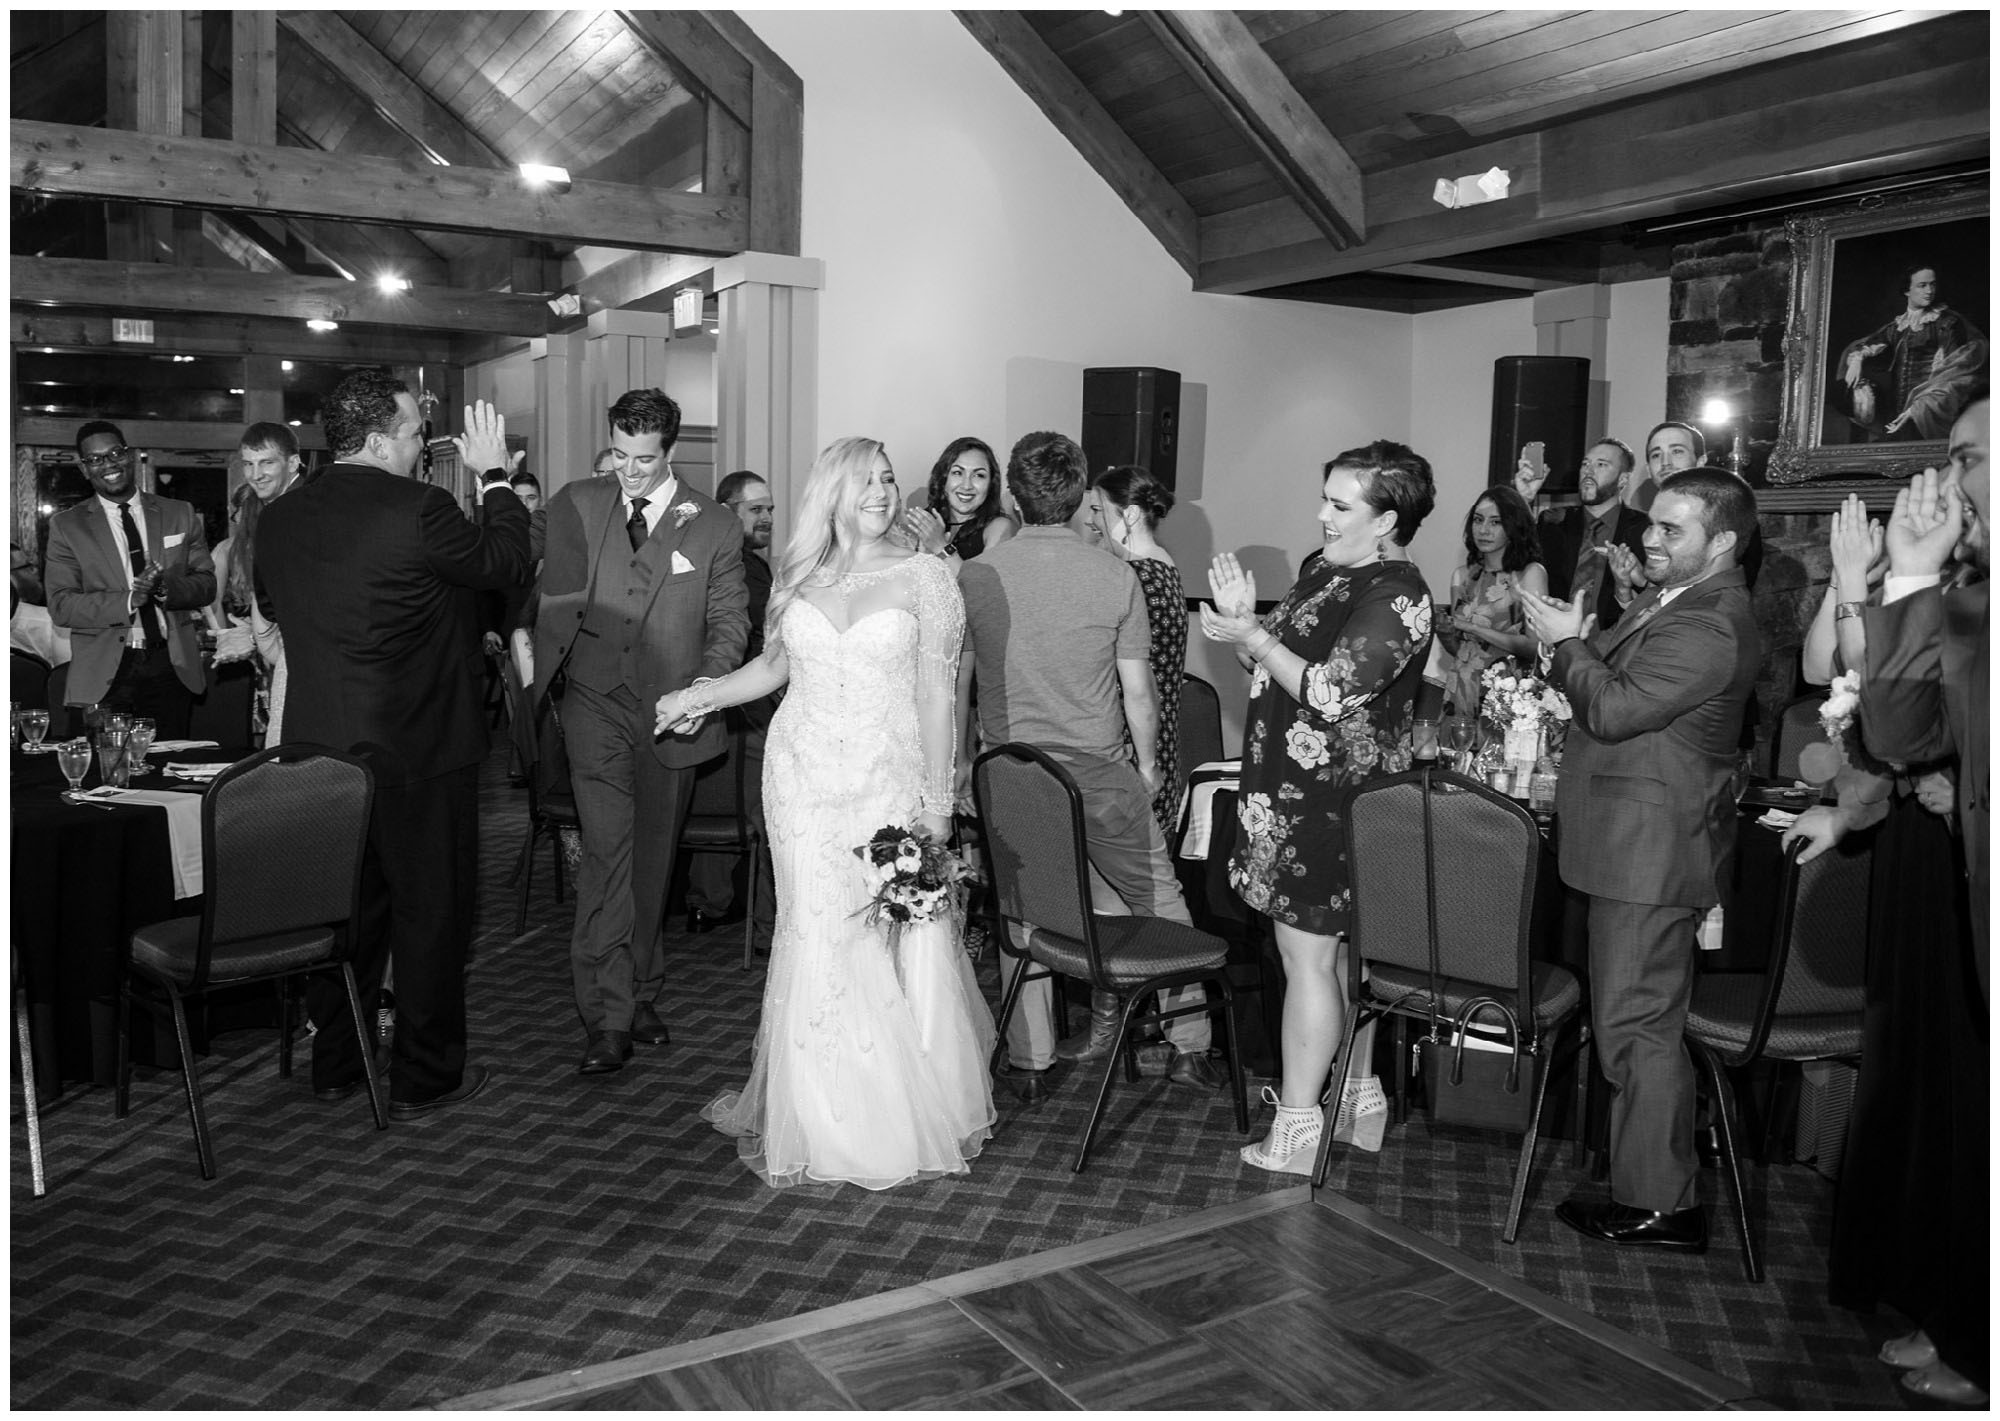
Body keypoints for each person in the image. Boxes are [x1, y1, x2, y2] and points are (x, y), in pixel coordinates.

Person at [655, 436, 996, 1189]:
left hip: (886, 780)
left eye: (888, 477)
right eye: (867, 479)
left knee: (881, 936)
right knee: (813, 929)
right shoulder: (799, 574)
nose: (882, 490)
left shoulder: (928, 578)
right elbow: (775, 667)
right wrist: (699, 694)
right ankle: (815, 1113)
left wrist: (937, 806)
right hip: (800, 778)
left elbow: (938, 698)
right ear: (833, 490)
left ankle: (897, 1114)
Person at [1784, 406, 1988, 1406]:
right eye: (1948, 453)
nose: (1951, 474)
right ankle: (1937, 1300)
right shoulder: (1959, 577)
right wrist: (1854, 807)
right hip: (1924, 853)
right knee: (1920, 1084)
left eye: (1970, 456)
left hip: (1969, 849)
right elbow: (1892, 715)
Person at [256, 375, 531, 1117]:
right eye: (415, 434)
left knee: (345, 915)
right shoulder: (423, 509)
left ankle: (338, 1064)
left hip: (317, 752)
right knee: (430, 914)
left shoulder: (277, 520)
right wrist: (496, 476)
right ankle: (425, 1074)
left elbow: (273, 605)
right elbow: (506, 563)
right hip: (419, 750)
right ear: (379, 440)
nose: (422, 447)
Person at [1519, 466, 1761, 1251]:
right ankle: (1642, 1182)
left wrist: (1564, 647)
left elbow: (1617, 708)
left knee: (1638, 1029)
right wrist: (1581, 639)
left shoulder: (1714, 620)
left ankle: (1664, 1203)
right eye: (1650, 524)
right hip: (1628, 842)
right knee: (1629, 1024)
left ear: (1722, 540)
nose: (1649, 538)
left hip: (1651, 853)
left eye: (1671, 529)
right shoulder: (1677, 599)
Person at [1200, 440, 1436, 1173]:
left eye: (1340, 504)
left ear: (1387, 518)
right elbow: (1279, 668)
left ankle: (1299, 1127)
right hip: (1284, 788)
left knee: (1309, 958)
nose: (1322, 515)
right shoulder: (1323, 570)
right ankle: (1359, 1096)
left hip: (1335, 801)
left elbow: (1333, 692)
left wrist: (1255, 636)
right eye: (1325, 498)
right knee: (1331, 959)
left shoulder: (1399, 595)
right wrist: (1245, 633)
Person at [959, 432, 1219, 1094]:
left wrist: (965, 767)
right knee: (1157, 897)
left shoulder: (977, 574)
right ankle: (1189, 1043)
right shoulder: (1114, 573)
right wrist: (1152, 771)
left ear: (1014, 495)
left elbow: (959, 685)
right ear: (1080, 496)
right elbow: (1139, 694)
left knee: (1024, 913)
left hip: (1012, 774)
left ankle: (1032, 1057)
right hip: (1099, 774)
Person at [530, 388, 748, 1076]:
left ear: (671, 450)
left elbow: (729, 624)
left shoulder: (713, 524)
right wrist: (495, 483)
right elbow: (508, 558)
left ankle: (642, 987)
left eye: (643, 459)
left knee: (654, 862)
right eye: (619, 454)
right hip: (593, 701)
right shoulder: (577, 501)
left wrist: (703, 691)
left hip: (672, 713)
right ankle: (606, 1013)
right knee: (606, 854)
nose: (628, 469)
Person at [1861, 392, 1989, 1002]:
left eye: (1967, 461)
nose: (1948, 485)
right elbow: (1899, 738)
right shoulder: (1970, 614)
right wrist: (1910, 575)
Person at [45, 420, 214, 738]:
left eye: (114, 453)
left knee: (170, 775)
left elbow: (206, 584)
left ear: (130, 455)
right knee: (110, 776)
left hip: (170, 664)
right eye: (95, 459)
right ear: (84, 469)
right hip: (106, 670)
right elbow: (61, 605)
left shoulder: (179, 512)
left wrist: (162, 587)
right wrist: (129, 600)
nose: (108, 464)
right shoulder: (68, 526)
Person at [685, 469, 778, 940]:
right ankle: (766, 926)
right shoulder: (743, 566)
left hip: (717, 703)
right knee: (771, 801)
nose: (767, 518)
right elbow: (761, 644)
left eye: (770, 509)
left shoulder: (718, 558)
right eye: (755, 509)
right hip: (742, 699)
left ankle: (709, 900)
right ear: (727, 511)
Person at [1076, 464, 1185, 837]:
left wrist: (1146, 764)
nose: (1090, 521)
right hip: (1161, 745)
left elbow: (1138, 687)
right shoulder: (1165, 568)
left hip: (1137, 755)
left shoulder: (1134, 578)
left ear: (1131, 515)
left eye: (1097, 510)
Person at [208, 422, 302, 744]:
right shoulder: (274, 517)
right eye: (249, 463)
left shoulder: (304, 511)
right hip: (283, 657)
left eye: (267, 462)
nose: (255, 474)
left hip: (307, 662)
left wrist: (255, 637)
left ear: (292, 463)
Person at [1435, 484, 1547, 725]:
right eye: (1478, 520)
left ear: (1513, 527)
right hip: (1461, 690)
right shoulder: (1462, 576)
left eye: (1495, 522)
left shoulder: (1529, 574)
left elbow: (1533, 647)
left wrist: (1473, 628)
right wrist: (1446, 634)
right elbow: (1462, 651)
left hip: (1509, 697)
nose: (1483, 530)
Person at [1838, 263, 1988, 443]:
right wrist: (1857, 360)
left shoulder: (1947, 323)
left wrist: (1917, 408)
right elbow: (1869, 344)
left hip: (1931, 409)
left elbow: (1955, 374)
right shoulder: (1897, 327)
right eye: (1922, 285)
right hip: (1896, 411)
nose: (1929, 291)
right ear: (1906, 291)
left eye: (1932, 285)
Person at [1515, 437, 1650, 631]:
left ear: (1623, 479)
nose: (1588, 471)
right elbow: (1515, 560)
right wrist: (1525, 497)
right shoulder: (1553, 521)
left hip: (1615, 648)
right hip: (1553, 644)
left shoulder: (1645, 529)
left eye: (1601, 464)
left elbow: (1658, 597)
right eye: (1585, 464)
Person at [903, 436, 1016, 562]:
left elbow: (983, 581)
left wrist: (941, 546)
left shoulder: (999, 527)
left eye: (979, 475)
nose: (966, 485)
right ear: (943, 478)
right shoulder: (922, 524)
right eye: (958, 473)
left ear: (991, 484)